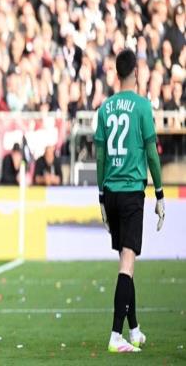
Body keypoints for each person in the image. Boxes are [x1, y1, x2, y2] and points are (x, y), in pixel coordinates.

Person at [94, 48, 165, 353]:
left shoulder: (104, 108)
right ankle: (115, 335)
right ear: (135, 72)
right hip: (131, 192)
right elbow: (151, 154)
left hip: (110, 192)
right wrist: (159, 193)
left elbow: (100, 157)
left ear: (116, 72)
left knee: (126, 260)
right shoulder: (142, 106)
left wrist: (100, 196)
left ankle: (134, 330)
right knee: (127, 264)